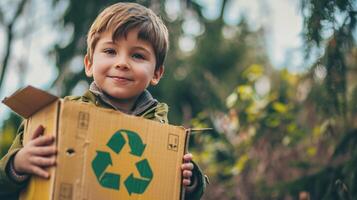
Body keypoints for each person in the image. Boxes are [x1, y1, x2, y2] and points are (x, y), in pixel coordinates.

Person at [0, 2, 207, 200]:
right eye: (110, 51)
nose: (122, 63)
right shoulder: (59, 118)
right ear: (89, 64)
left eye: (137, 55)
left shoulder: (164, 135)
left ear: (156, 73)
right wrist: (17, 165)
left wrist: (191, 183)